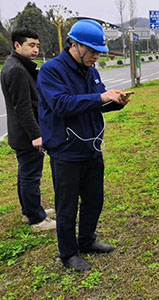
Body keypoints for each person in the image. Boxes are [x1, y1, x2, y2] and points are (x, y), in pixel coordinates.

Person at [37, 19, 131, 272]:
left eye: (98, 52)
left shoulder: (91, 71)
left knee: (94, 199)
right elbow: (62, 104)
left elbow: (94, 104)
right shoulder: (51, 71)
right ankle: (69, 254)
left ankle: (87, 240)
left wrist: (114, 103)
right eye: (92, 51)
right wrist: (99, 96)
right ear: (75, 45)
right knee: (66, 206)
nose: (95, 57)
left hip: (91, 148)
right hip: (66, 150)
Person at [1, 29, 56, 230]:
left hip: (20, 133)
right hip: (26, 134)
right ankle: (37, 219)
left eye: (37, 46)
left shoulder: (15, 65)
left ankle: (29, 211)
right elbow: (22, 108)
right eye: (31, 45)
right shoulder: (16, 70)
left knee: (25, 174)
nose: (35, 50)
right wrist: (36, 135)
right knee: (31, 176)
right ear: (17, 45)